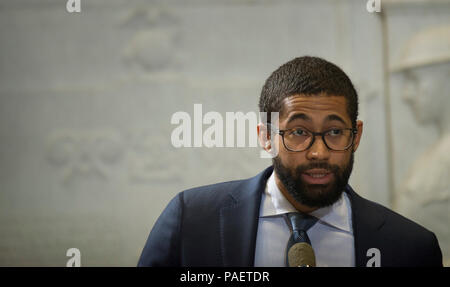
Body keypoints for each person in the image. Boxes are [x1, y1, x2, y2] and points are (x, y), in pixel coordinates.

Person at [138, 56, 443, 267]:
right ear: (266, 136)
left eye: (335, 132)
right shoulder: (191, 220)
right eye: (299, 132)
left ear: (357, 135)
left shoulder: (410, 247)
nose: (319, 153)